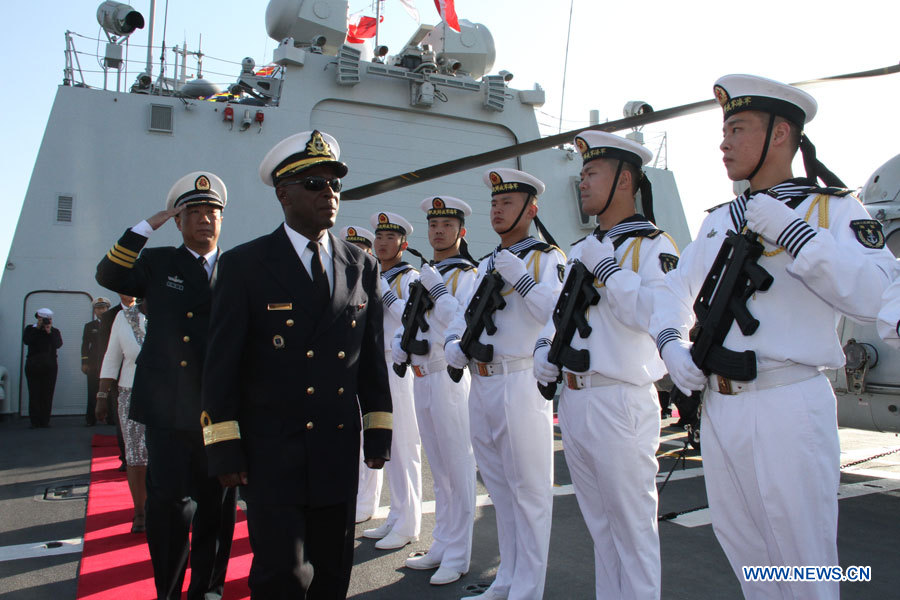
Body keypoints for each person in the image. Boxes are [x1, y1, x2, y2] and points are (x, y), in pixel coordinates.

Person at [650, 74, 897, 600]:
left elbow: (877, 295)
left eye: (737, 128)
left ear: (780, 133)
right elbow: (671, 291)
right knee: (747, 552)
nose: (724, 143)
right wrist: (671, 343)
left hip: (788, 402)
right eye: (725, 130)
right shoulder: (719, 221)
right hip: (722, 406)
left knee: (803, 560)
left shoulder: (831, 210)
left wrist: (794, 233)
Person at [201, 130, 393, 599]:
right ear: (283, 194)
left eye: (334, 184)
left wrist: (379, 432)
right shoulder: (245, 265)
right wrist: (224, 446)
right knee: (281, 577)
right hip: (272, 452)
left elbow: (371, 359)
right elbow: (221, 364)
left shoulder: (361, 264)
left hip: (336, 447)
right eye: (314, 184)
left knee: (332, 574)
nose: (329, 193)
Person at [533, 132, 679, 599]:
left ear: (624, 181)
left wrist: (612, 273)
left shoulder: (653, 246)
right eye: (582, 174)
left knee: (632, 532)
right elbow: (559, 314)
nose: (582, 182)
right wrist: (544, 349)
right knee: (601, 530)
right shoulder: (580, 248)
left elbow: (660, 316)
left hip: (621, 400)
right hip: (576, 399)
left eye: (592, 173)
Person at [95, 171, 236, 600]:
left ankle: (208, 589)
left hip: (220, 409)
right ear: (178, 221)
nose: (205, 219)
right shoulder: (157, 263)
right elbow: (109, 274)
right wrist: (145, 227)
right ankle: (169, 591)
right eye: (194, 212)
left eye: (212, 212)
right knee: (170, 507)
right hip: (169, 407)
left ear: (222, 219)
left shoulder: (239, 267)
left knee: (217, 507)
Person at [444, 169, 565, 600]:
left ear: (531, 210)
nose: (497, 210)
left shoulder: (547, 258)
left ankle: (527, 590)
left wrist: (525, 280)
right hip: (483, 382)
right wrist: (452, 342)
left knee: (529, 493)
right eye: (494, 203)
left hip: (520, 378)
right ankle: (507, 580)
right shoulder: (486, 263)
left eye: (507, 203)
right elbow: (464, 312)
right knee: (500, 491)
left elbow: (558, 314)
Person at [391, 196, 478, 586]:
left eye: (446, 226)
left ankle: (458, 554)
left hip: (448, 375)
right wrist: (398, 340)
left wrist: (439, 290)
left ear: (461, 231)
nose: (438, 231)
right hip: (421, 375)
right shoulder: (429, 272)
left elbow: (463, 319)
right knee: (439, 471)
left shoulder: (466, 275)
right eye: (433, 225)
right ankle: (441, 542)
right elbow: (411, 320)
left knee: (458, 468)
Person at [361, 211, 424, 550]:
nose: (382, 243)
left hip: (399, 365)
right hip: (376, 364)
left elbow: (411, 318)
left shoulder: (409, 277)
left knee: (404, 446)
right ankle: (396, 515)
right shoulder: (375, 273)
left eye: (390, 238)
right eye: (379, 237)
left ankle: (410, 522)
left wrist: (385, 292)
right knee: (386, 444)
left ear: (403, 244)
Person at [339, 225, 386, 524]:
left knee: (385, 441)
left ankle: (369, 502)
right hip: (351, 366)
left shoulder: (378, 278)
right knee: (354, 440)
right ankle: (361, 498)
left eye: (361, 249)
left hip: (386, 366)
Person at [97, 299, 149, 533]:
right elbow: (111, 357)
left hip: (169, 394)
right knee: (136, 454)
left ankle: (168, 507)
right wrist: (101, 396)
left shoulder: (172, 309)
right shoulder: (123, 317)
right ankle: (140, 512)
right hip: (131, 393)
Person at [23, 308, 63, 428]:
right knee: (34, 392)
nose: (46, 321)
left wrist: (49, 331)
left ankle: (45, 420)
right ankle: (35, 421)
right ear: (38, 318)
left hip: (49, 365)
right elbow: (27, 341)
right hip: (33, 365)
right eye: (43, 319)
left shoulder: (54, 331)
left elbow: (58, 344)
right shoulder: (30, 329)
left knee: (47, 393)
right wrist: (37, 328)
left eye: (48, 319)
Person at [82, 297, 111, 426]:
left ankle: (111, 418)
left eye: (103, 308)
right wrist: (84, 362)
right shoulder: (89, 326)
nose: (101, 311)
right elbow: (85, 345)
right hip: (93, 364)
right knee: (92, 390)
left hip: (109, 362)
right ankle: (90, 419)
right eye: (98, 308)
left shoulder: (113, 324)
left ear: (107, 309)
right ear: (94, 311)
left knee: (110, 391)